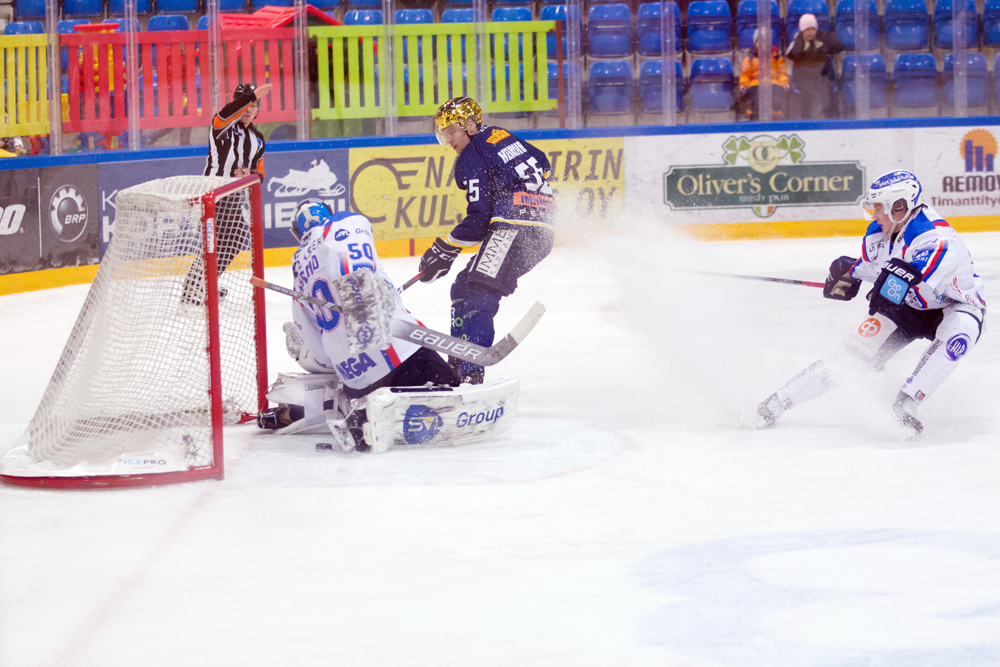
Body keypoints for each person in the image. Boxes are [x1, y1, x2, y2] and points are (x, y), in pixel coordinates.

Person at [757, 170, 986, 436]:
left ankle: (907, 404)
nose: (874, 215)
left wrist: (887, 289)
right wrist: (849, 271)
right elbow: (877, 268)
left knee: (961, 332)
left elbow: (917, 278)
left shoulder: (936, 238)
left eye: (879, 208)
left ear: (899, 207)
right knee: (852, 356)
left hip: (954, 305)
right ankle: (777, 402)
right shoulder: (878, 233)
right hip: (909, 307)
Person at [258, 200, 460, 448]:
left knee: (365, 391)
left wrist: (342, 360)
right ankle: (414, 396)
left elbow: (314, 342)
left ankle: (359, 407)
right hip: (393, 347)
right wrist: (364, 305)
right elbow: (353, 253)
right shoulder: (337, 225)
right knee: (450, 386)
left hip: (355, 375)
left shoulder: (298, 271)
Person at [417, 96, 555, 384]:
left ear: (469, 125)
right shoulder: (499, 135)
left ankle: (469, 371)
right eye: (444, 134)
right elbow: (542, 162)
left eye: (452, 131)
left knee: (478, 288)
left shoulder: (471, 154)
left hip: (513, 226)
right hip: (543, 232)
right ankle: (459, 360)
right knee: (464, 284)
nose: (449, 139)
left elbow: (478, 219)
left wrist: (444, 248)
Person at [182, 82, 273, 305]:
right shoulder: (221, 127)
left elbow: (259, 173)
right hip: (212, 192)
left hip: (232, 196)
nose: (249, 110)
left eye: (254, 106)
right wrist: (252, 96)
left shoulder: (258, 139)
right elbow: (226, 113)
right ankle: (194, 289)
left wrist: (249, 175)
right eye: (246, 105)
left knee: (232, 240)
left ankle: (202, 284)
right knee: (217, 241)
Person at [785, 13, 844, 119]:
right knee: (805, 104)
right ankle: (805, 123)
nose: (811, 32)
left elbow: (839, 47)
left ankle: (832, 122)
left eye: (813, 29)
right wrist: (803, 44)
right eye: (807, 29)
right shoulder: (798, 40)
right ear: (802, 31)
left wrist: (825, 43)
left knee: (829, 98)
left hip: (822, 78)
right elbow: (791, 54)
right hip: (805, 79)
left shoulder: (823, 37)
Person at [738, 29, 790, 120]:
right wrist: (744, 84)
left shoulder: (777, 58)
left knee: (777, 95)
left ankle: (776, 117)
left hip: (773, 83)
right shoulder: (750, 58)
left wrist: (784, 82)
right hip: (756, 84)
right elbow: (745, 74)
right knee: (755, 97)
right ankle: (754, 118)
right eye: (760, 42)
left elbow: (782, 73)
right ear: (756, 43)